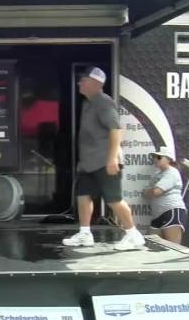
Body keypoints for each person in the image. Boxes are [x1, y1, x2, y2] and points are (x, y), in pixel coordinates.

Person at [62, 66, 146, 250]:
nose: (79, 82)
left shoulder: (104, 102)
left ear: (95, 83)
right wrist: (83, 162)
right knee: (83, 195)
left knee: (114, 199)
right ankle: (85, 233)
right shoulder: (88, 103)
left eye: (83, 80)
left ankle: (133, 234)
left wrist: (112, 158)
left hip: (105, 161)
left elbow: (116, 130)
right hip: (89, 163)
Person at [143, 146, 187, 245]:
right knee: (151, 246)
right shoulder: (156, 174)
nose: (155, 159)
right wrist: (150, 192)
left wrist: (150, 191)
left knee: (173, 248)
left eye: (159, 157)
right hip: (157, 215)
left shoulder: (172, 172)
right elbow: (145, 194)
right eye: (154, 157)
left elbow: (156, 192)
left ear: (169, 159)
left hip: (171, 211)